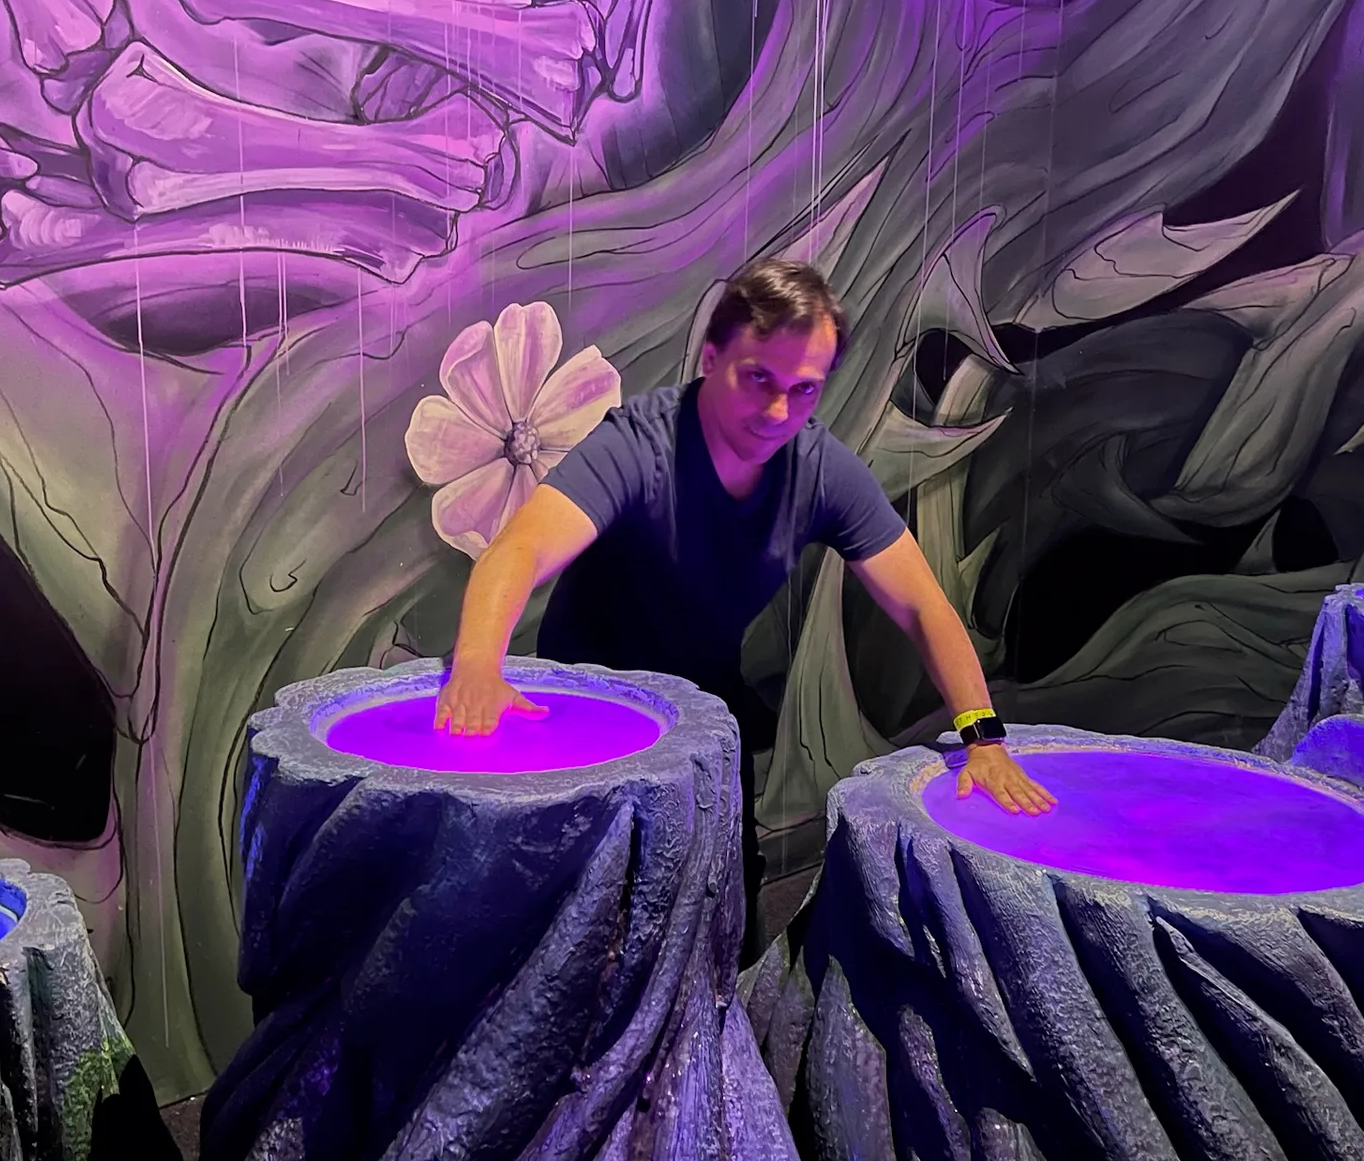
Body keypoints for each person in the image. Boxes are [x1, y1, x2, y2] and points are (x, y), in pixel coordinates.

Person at [434, 259, 1055, 957]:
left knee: (721, 917)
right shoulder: (638, 445)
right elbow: (518, 549)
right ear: (711, 358)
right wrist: (477, 666)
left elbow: (922, 607)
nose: (778, 411)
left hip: (704, 722)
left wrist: (983, 738)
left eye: (804, 389)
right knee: (584, 929)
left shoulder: (818, 468)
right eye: (758, 378)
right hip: (590, 723)